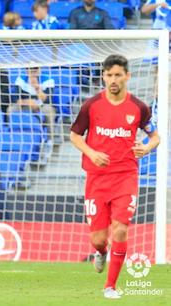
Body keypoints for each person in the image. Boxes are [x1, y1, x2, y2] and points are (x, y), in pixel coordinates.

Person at [70, 54, 160, 299]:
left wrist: (147, 147)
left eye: (118, 75)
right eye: (109, 75)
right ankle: (101, 252)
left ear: (127, 76)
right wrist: (91, 152)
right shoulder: (91, 105)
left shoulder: (138, 107)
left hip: (125, 176)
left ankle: (110, 286)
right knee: (99, 239)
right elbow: (75, 135)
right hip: (97, 179)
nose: (113, 79)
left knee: (120, 229)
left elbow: (155, 136)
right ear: (103, 76)